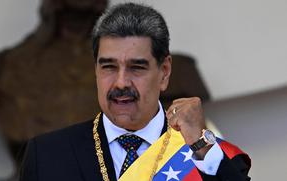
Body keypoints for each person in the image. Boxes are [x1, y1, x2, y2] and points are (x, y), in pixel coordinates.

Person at [20, 3, 251, 181]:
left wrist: (201, 146)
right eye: (108, 66)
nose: (121, 82)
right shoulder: (47, 156)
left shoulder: (203, 152)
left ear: (165, 72)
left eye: (136, 67)